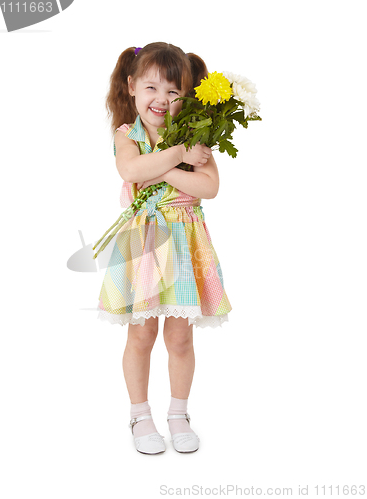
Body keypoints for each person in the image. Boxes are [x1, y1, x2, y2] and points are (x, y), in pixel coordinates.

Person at [97, 42, 232, 454]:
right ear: (132, 86)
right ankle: (140, 414)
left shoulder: (198, 134)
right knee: (141, 336)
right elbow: (131, 169)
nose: (161, 99)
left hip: (186, 243)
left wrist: (167, 166)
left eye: (173, 92)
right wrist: (178, 159)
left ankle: (178, 413)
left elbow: (208, 187)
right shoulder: (129, 135)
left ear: (187, 98)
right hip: (146, 244)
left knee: (180, 338)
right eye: (152, 88)